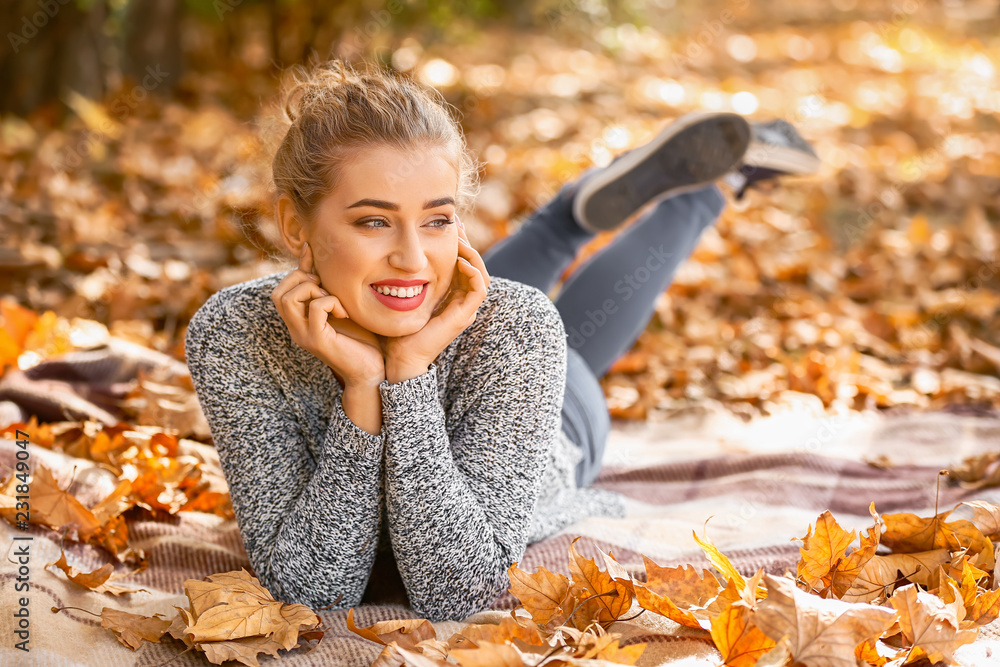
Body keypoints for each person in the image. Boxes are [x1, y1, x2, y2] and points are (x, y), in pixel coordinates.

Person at [183, 59, 818, 623]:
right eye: (374, 220)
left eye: (438, 219)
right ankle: (583, 211)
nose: (411, 254)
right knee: (474, 300)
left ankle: (706, 188)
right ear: (294, 224)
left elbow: (452, 592)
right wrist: (365, 389)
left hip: (558, 425)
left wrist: (407, 372)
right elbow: (315, 590)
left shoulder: (517, 331)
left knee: (530, 324)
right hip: (481, 338)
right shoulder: (236, 335)